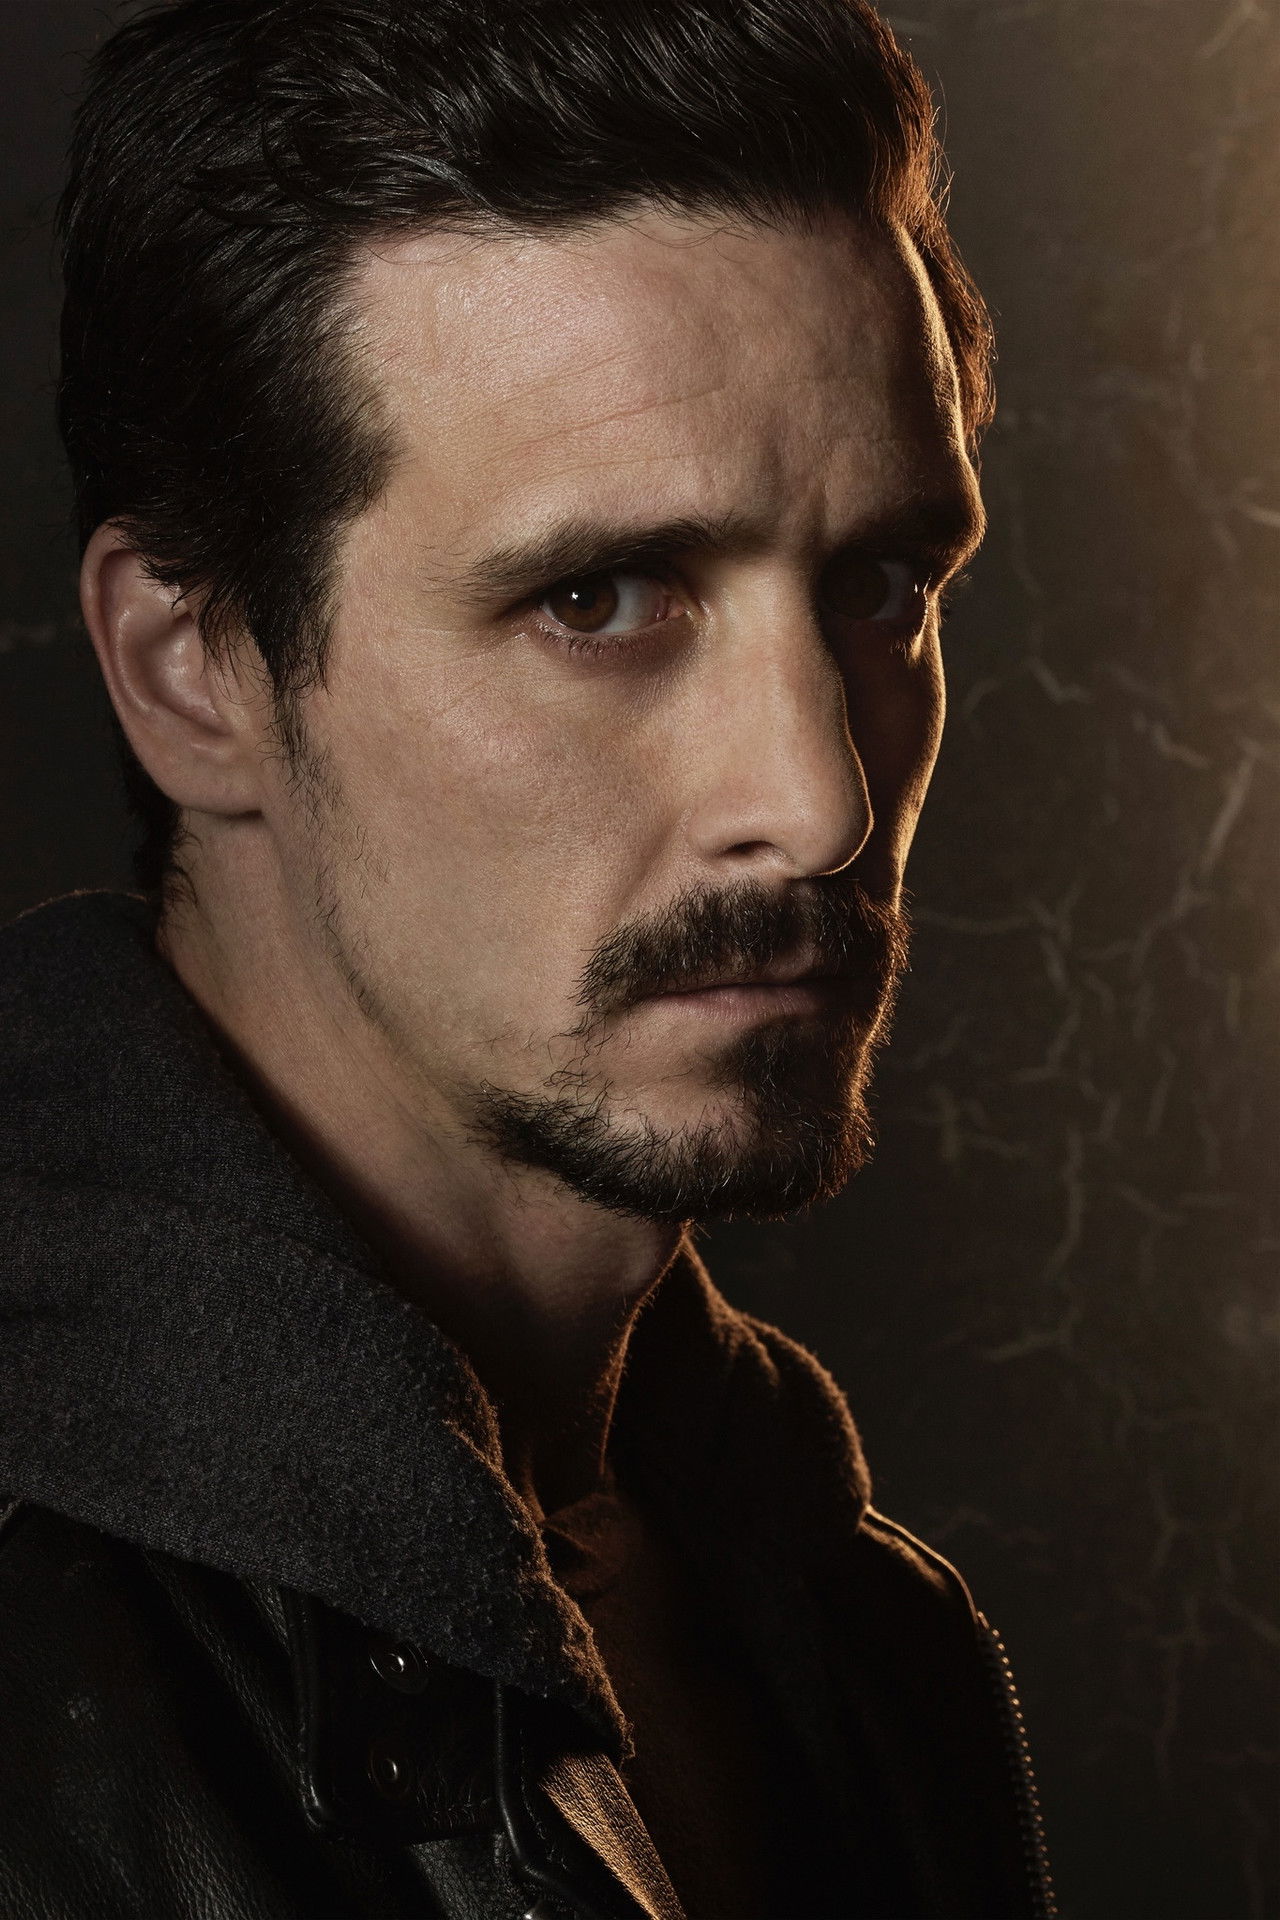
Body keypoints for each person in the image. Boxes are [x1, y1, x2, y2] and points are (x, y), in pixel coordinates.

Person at [0, 2, 1056, 1915]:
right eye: (600, 597)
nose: (819, 800)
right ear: (193, 667)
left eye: (884, 585)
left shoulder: (841, 1623)